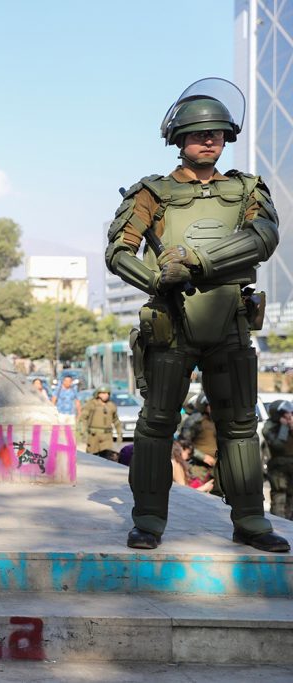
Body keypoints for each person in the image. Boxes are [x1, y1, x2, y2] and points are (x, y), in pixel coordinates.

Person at [105, 78, 288, 552]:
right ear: (179, 140)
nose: (209, 140)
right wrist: (156, 279)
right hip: (171, 322)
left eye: (218, 134)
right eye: (198, 134)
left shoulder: (247, 188)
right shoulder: (153, 192)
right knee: (156, 423)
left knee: (241, 425)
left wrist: (200, 263)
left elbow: (264, 238)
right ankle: (147, 518)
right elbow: (119, 251)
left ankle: (250, 520)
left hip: (229, 321)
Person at [261, 400, 293, 520]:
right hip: (277, 468)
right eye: (285, 414)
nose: (289, 416)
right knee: (279, 498)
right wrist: (284, 427)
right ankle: (279, 525)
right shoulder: (270, 426)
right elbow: (278, 445)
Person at [78, 385, 124, 459]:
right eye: (102, 393)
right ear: (98, 394)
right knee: (92, 456)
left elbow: (116, 421)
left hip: (107, 436)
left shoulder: (111, 405)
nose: (105, 395)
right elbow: (83, 418)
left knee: (107, 456)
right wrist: (83, 432)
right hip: (94, 435)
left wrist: (119, 434)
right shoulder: (92, 404)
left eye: (107, 393)